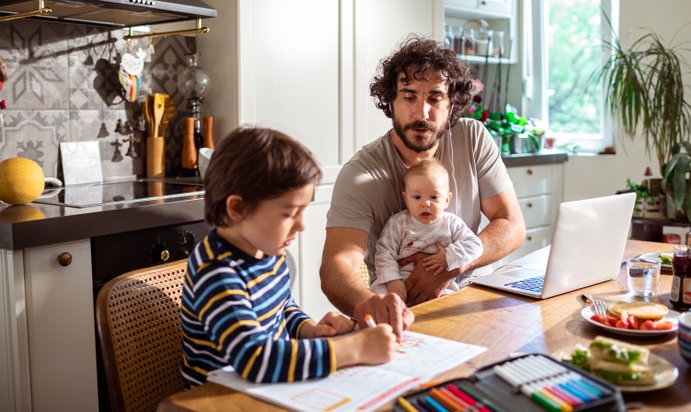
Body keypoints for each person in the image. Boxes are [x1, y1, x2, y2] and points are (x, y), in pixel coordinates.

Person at [320, 36, 526, 337]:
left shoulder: (473, 138)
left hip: (473, 296)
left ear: (451, 102)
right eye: (408, 96)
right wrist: (373, 305)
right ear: (390, 101)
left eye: (434, 98)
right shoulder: (360, 174)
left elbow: (512, 225)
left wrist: (449, 265)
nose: (422, 113)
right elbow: (336, 266)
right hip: (405, 313)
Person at [181, 126, 397, 386]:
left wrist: (309, 330)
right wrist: (354, 349)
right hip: (220, 399)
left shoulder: (268, 251)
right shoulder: (217, 274)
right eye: (288, 214)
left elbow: (282, 308)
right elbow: (255, 358)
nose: (302, 225)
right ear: (238, 208)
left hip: (267, 387)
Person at [372, 158, 484, 302]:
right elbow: (384, 252)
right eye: (417, 197)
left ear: (447, 200)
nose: (425, 203)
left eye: (434, 197)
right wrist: (392, 280)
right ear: (406, 199)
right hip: (399, 281)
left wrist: (448, 256)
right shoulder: (398, 223)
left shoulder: (451, 223)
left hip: (439, 285)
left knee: (449, 303)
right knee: (379, 299)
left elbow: (475, 245)